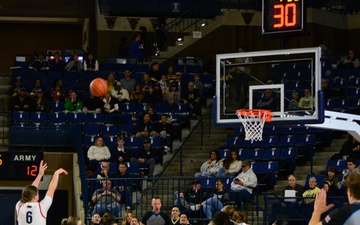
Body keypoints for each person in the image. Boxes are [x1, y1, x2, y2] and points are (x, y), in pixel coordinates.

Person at [15, 160, 68, 225]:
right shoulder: (41, 207)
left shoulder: (19, 206)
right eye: (37, 193)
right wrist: (56, 173)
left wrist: (40, 175)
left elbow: (31, 190)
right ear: (35, 196)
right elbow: (51, 189)